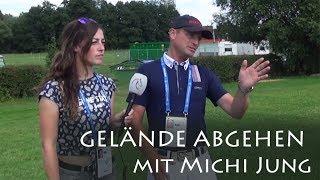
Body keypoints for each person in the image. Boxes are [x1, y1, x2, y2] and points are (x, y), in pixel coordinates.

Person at [129, 15, 270, 180]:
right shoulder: (147, 71)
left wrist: (243, 90)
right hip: (164, 162)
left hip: (200, 162)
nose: (195, 42)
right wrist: (153, 159)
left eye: (198, 37)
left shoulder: (203, 74)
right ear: (172, 33)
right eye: (190, 35)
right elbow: (133, 120)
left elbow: (235, 111)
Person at [38, 17, 132, 180]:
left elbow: (106, 124)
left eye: (103, 42)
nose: (102, 48)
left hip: (106, 169)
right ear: (75, 46)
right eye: (94, 42)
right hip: (74, 173)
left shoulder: (107, 84)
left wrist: (118, 120)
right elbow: (48, 146)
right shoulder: (54, 90)